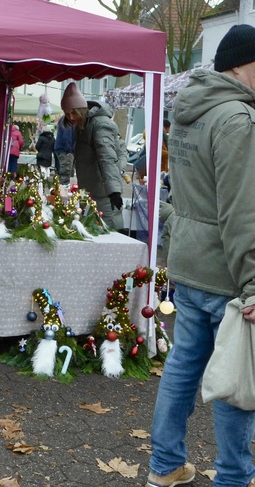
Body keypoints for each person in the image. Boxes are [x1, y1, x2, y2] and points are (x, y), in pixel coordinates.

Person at [145, 24, 255, 487]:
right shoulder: (235, 119)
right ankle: (233, 477)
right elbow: (241, 209)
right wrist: (252, 282)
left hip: (189, 262)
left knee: (183, 366)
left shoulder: (190, 109)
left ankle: (165, 466)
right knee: (236, 375)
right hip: (225, 269)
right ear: (245, 64)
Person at [59, 82, 126, 232]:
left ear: (81, 110)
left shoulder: (100, 125)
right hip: (90, 191)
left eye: (73, 113)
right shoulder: (83, 124)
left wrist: (113, 190)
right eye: (67, 113)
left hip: (104, 194)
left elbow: (107, 157)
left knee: (110, 233)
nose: (70, 117)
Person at [54, 117, 76, 184]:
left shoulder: (64, 119)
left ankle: (65, 191)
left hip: (62, 150)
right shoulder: (67, 119)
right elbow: (67, 136)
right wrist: (69, 150)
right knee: (66, 174)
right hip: (65, 151)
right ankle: (64, 192)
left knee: (67, 173)